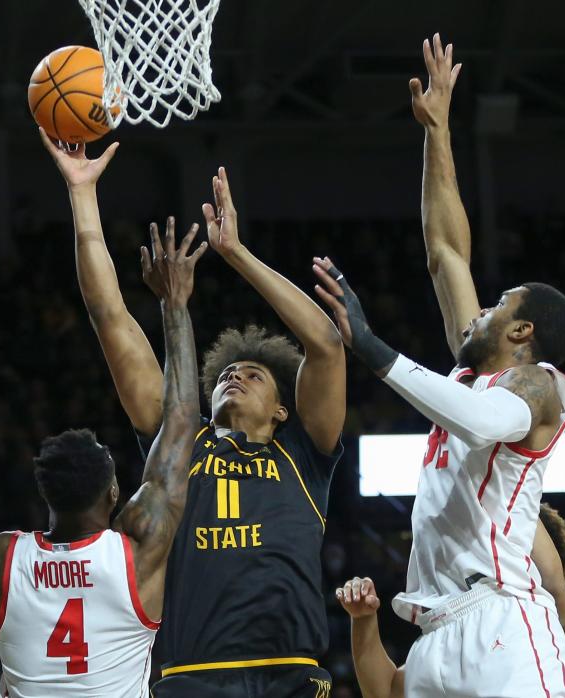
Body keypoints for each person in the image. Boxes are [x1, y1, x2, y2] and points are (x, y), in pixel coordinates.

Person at [312, 34, 565, 698]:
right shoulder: (470, 375)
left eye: (496, 305)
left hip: (504, 626)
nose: (479, 310)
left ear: (522, 331)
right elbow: (444, 252)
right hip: (433, 636)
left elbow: (483, 423)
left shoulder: (542, 388)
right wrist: (437, 131)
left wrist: (373, 350)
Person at [40, 129, 345, 696]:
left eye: (255, 375)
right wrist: (83, 195)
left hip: (291, 675)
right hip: (191, 676)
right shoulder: (179, 443)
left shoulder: (306, 455)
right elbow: (110, 317)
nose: (235, 374)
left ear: (283, 410)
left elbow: (325, 344)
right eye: (228, 372)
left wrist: (236, 253)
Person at [0, 220, 204, 696]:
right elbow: (181, 418)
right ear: (115, 492)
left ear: (46, 492)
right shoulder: (137, 550)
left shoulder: (4, 555)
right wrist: (174, 305)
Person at [335, 503, 565, 698]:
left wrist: (505, 490)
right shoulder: (457, 632)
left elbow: (554, 583)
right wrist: (363, 618)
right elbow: (384, 692)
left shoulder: (552, 611)